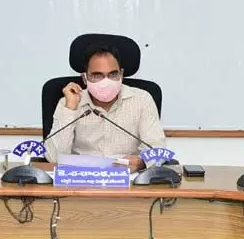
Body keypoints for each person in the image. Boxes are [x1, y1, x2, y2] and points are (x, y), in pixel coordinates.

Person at [45, 43, 165, 172]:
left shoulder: (142, 99)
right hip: (80, 180)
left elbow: (157, 148)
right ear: (85, 78)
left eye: (113, 74)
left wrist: (141, 162)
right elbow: (54, 158)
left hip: (128, 180)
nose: (106, 81)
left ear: (121, 74)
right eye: (97, 75)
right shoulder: (69, 102)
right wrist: (70, 110)